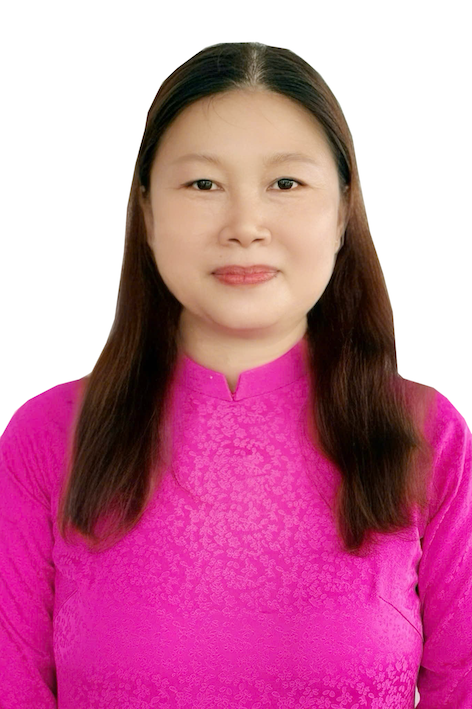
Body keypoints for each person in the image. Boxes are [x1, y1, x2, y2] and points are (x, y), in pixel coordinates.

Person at [0, 41, 470, 709]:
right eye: (203, 184)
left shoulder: (426, 436)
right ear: (147, 211)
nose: (245, 226)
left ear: (343, 210)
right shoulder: (48, 439)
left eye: (286, 183)